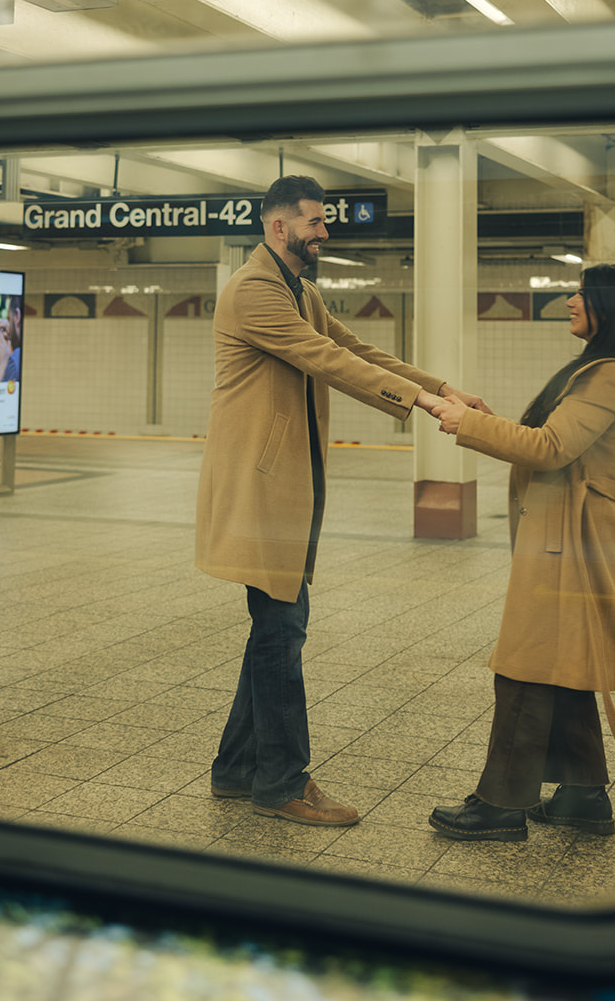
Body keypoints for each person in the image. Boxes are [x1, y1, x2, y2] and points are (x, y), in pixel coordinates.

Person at [195, 175, 486, 827]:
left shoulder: (301, 290)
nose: (325, 232)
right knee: (281, 631)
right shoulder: (251, 291)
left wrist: (441, 387)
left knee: (274, 628)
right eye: (314, 222)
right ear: (278, 228)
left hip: (290, 487)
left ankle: (237, 770)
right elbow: (325, 360)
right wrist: (422, 404)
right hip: (260, 491)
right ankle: (281, 783)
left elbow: (356, 348)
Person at [427, 262, 615, 843]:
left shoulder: (609, 375)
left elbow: (552, 447)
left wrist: (466, 426)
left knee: (525, 668)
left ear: (608, 305)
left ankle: (501, 804)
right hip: (567, 538)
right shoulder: (602, 370)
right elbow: (552, 442)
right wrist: (488, 422)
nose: (569, 301)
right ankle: (582, 797)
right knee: (565, 664)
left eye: (581, 294)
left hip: (573, 544)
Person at [0, 297, 22, 382]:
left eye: (9, 318)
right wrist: (13, 332)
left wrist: (3, 365)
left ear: (17, 316)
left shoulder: (13, 364)